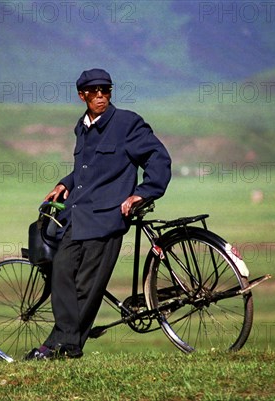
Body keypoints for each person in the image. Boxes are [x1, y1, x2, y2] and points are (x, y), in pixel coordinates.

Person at [25, 68, 172, 360]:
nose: (101, 95)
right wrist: (65, 184)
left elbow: (158, 157)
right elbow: (87, 169)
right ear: (82, 96)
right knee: (61, 275)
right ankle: (62, 343)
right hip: (77, 217)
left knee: (86, 289)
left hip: (106, 218)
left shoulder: (127, 124)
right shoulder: (82, 128)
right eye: (94, 91)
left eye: (106, 90)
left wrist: (143, 192)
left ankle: (62, 347)